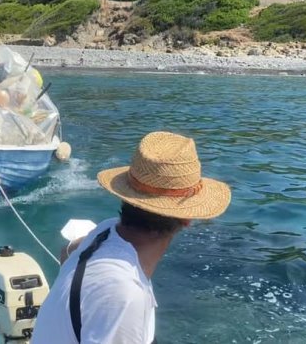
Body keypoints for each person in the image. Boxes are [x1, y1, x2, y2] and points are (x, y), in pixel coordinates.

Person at [31, 131, 231, 344]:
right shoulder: (125, 294)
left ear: (128, 198)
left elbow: (67, 252)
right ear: (187, 218)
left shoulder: (105, 231)